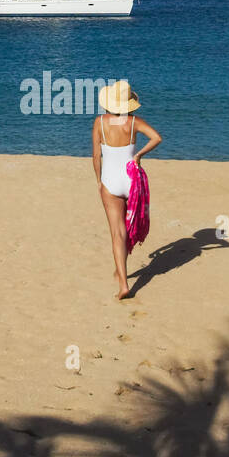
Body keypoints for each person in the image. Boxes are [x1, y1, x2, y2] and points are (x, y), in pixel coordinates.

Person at [92, 80, 162, 300]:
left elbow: (96, 156)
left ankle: (124, 284)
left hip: (110, 182)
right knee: (128, 227)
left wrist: (99, 181)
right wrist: (139, 155)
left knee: (117, 232)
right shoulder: (133, 122)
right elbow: (157, 138)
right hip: (131, 181)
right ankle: (120, 269)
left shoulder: (100, 122)